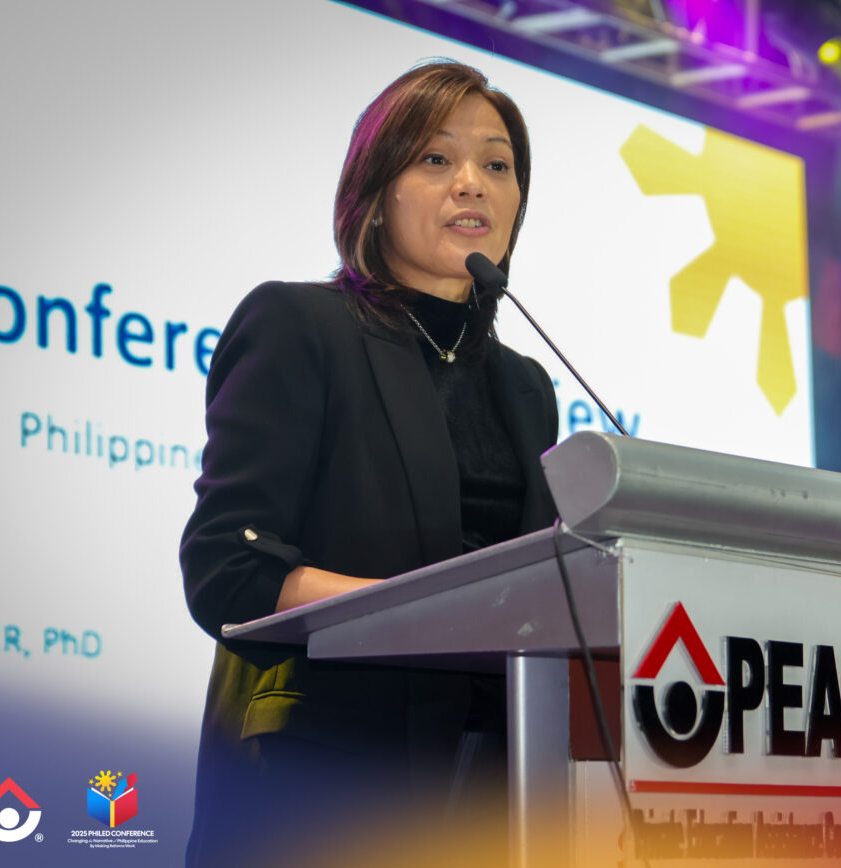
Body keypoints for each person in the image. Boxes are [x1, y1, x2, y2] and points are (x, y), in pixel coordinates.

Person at [179, 61, 558, 867]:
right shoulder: (299, 325)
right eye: (436, 158)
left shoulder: (528, 386)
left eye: (497, 165)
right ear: (377, 194)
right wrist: (437, 614)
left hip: (500, 787)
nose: (472, 183)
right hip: (323, 780)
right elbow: (228, 570)